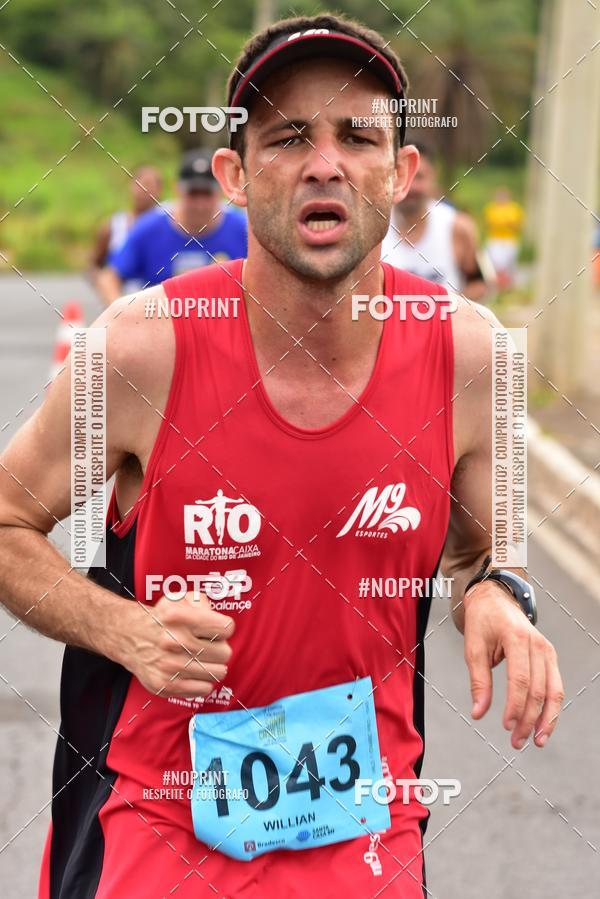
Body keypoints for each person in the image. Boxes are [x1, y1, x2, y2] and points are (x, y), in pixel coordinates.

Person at [0, 13, 563, 899]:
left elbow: (488, 553)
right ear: (235, 175)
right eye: (289, 136)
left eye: (358, 137)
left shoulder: (472, 355)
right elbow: (7, 522)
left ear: (401, 172)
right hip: (158, 823)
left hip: (365, 833)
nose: (324, 163)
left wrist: (501, 594)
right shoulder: (141, 349)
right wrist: (123, 630)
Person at [97, 148, 248, 305]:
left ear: (221, 190)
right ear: (177, 189)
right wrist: (122, 312)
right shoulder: (149, 227)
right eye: (193, 193)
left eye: (206, 193)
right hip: (160, 317)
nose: (200, 205)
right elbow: (109, 277)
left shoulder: (242, 229)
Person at [382, 141, 489, 299]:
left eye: (418, 177)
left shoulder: (458, 227)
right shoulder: (374, 227)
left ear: (433, 175)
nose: (409, 187)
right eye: (401, 177)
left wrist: (447, 308)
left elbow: (479, 284)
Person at [89, 165, 163, 296]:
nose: (143, 190)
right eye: (139, 184)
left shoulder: (168, 225)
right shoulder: (112, 226)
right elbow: (94, 265)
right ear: (131, 186)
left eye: (149, 185)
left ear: (159, 190)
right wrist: (106, 286)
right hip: (121, 300)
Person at [483, 187, 524, 289]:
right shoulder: (491, 208)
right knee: (497, 264)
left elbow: (519, 226)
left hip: (510, 240)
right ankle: (497, 284)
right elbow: (487, 224)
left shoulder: (514, 208)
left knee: (509, 265)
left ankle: (509, 285)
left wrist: (508, 225)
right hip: (495, 239)